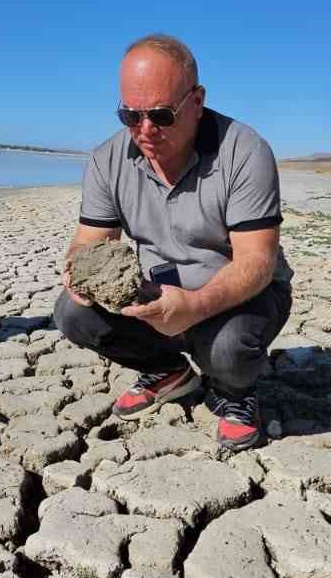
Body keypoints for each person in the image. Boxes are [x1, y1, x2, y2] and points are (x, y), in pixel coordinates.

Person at [55, 34, 292, 453]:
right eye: (130, 115)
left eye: (161, 116)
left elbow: (257, 261)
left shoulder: (244, 152)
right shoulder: (107, 159)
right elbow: (90, 242)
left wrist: (194, 307)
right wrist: (80, 273)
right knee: (72, 313)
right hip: (157, 290)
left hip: (241, 293)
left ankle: (235, 394)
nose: (144, 131)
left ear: (197, 101)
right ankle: (167, 371)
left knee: (227, 348)